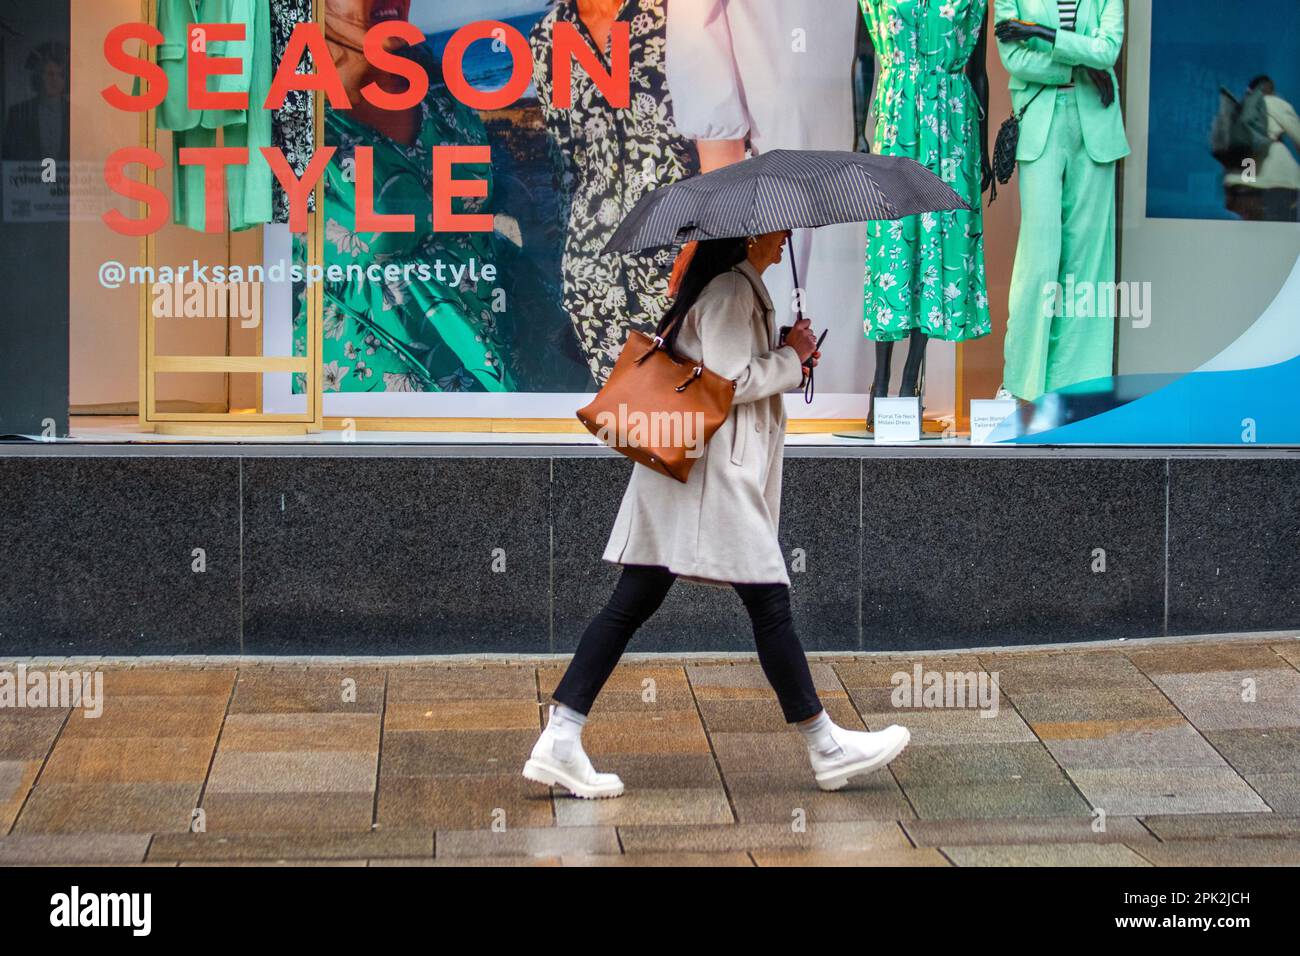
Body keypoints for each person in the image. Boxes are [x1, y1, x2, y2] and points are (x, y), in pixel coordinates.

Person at [522, 231, 911, 799]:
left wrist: (778, 346)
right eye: (779, 233)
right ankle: (826, 747)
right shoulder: (732, 289)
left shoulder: (732, 288)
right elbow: (732, 383)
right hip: (713, 478)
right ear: (752, 235)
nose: (785, 243)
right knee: (768, 601)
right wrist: (793, 357)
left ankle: (561, 736)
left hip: (695, 476)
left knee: (634, 601)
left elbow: (723, 365)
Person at [1224, 76, 1300, 223]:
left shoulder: (1241, 108)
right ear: (1270, 89)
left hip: (1242, 179)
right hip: (1278, 181)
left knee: (1253, 231)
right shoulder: (1275, 103)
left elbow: (1246, 148)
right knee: (1282, 231)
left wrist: (1248, 181)